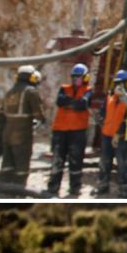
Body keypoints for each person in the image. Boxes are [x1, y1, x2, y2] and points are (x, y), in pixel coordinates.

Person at [47, 63, 93, 197]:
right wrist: (74, 102)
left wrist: (70, 103)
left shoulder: (88, 90)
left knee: (76, 161)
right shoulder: (64, 88)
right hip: (60, 130)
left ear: (85, 78)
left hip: (78, 131)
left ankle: (74, 188)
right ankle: (53, 187)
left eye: (79, 77)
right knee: (57, 159)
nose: (76, 80)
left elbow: (82, 104)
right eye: (74, 77)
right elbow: (60, 101)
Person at [0, 65, 46, 187]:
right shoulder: (30, 92)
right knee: (22, 162)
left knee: (7, 161)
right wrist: (41, 120)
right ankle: (18, 188)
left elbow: (1, 113)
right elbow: (38, 113)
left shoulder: (10, 91)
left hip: (7, 132)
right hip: (22, 133)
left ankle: (3, 186)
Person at [95, 70, 127, 197]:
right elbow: (102, 113)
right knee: (104, 162)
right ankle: (102, 186)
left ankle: (123, 191)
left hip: (120, 139)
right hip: (107, 136)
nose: (118, 86)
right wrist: (101, 122)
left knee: (122, 165)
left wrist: (119, 133)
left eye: (121, 83)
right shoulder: (110, 98)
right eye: (117, 83)